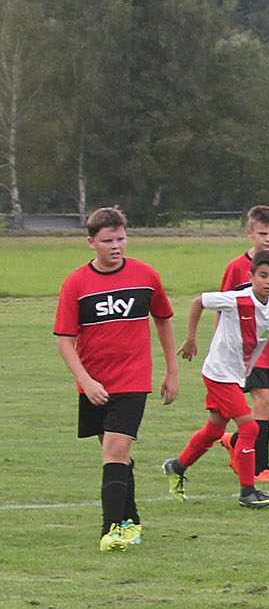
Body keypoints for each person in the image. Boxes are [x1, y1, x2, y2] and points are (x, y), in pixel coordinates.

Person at [54, 206, 179, 551]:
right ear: (91, 242)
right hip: (94, 384)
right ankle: (132, 519)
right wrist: (86, 380)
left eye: (121, 238)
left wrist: (171, 371)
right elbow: (65, 340)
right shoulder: (76, 283)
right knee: (115, 456)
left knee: (115, 448)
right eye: (107, 240)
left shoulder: (145, 276)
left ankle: (111, 530)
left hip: (133, 381)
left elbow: (164, 319)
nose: (116, 246)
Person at [162, 250, 269, 509]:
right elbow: (197, 302)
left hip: (237, 374)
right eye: (263, 275)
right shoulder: (237, 299)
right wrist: (190, 338)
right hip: (219, 372)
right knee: (250, 428)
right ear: (251, 276)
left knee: (214, 429)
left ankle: (176, 466)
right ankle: (248, 492)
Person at [216, 205, 269, 485]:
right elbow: (221, 307)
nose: (268, 239)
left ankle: (235, 441)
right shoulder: (236, 268)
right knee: (262, 403)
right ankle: (257, 468)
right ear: (250, 233)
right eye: (263, 233)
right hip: (246, 353)